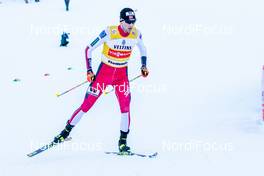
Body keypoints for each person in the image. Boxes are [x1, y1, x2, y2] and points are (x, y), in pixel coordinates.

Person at [53, 8, 149, 154]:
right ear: (121, 21)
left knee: (125, 108)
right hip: (104, 75)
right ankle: (64, 133)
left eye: (133, 22)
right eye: (129, 22)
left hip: (121, 77)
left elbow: (143, 49)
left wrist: (143, 65)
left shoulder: (136, 34)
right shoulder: (109, 32)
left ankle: (122, 143)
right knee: (86, 105)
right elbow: (88, 49)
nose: (131, 25)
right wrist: (89, 70)